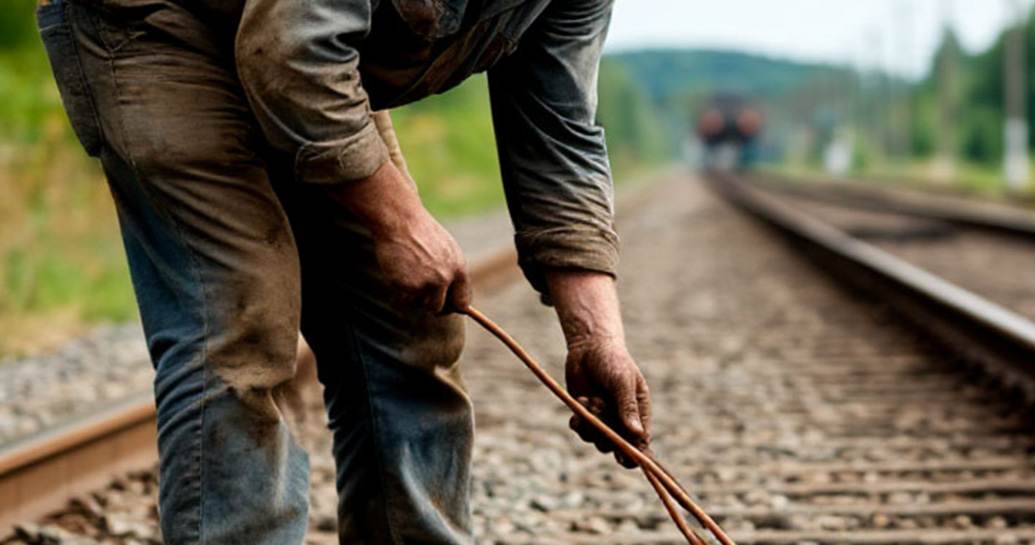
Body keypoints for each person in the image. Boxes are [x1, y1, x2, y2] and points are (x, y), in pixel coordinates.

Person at [36, 0, 652, 543]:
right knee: (240, 323)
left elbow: (558, 136)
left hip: (306, 58)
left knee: (411, 326)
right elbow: (293, 51)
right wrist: (400, 222)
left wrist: (598, 338)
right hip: (163, 26)